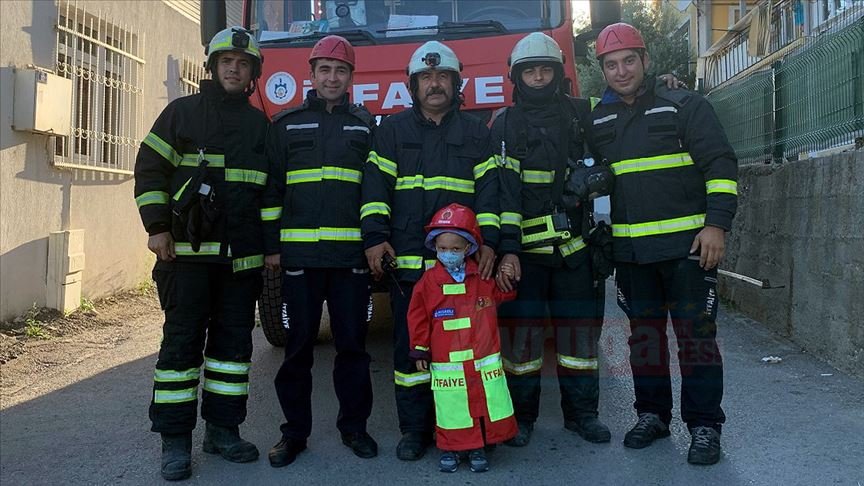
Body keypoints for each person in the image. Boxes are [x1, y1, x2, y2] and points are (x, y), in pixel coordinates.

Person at [586, 22, 738, 465]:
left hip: (689, 250)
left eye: (629, 60)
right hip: (632, 255)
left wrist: (717, 226)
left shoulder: (685, 104)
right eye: (611, 64)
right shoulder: (598, 119)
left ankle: (705, 425)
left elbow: (721, 166)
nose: (621, 70)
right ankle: (652, 415)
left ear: (646, 61)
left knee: (697, 340)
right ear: (602, 70)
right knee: (643, 341)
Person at [133, 27, 269, 481]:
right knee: (181, 347)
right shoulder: (182, 114)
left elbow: (269, 194)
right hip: (186, 258)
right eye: (226, 60)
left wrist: (269, 249)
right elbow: (150, 169)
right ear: (212, 66)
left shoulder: (258, 126)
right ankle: (175, 442)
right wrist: (156, 228)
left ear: (252, 73)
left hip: (241, 262)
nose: (234, 68)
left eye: (243, 63)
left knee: (233, 351)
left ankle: (223, 431)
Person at [360, 40, 500, 461]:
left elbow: (490, 194)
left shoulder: (477, 133)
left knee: (468, 354)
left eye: (442, 77)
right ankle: (415, 431)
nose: (434, 84)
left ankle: (470, 430)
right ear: (413, 85)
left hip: (463, 269)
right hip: (410, 265)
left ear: (456, 84)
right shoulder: (391, 131)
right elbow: (375, 191)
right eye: (426, 77)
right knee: (412, 351)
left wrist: (490, 242)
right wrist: (373, 237)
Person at [262, 35, 377, 467]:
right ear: (311, 75)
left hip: (350, 262)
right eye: (324, 69)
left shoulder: (366, 127)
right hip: (299, 263)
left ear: (350, 77)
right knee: (297, 351)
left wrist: (371, 246)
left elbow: (374, 190)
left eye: (340, 70)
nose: (332, 77)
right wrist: (272, 247)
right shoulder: (285, 124)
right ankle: (294, 434)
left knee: (353, 349)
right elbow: (272, 189)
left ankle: (354, 428)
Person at [490, 32, 610, 447]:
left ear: (558, 74)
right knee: (520, 344)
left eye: (545, 70)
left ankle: (582, 416)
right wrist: (507, 251)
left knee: (579, 339)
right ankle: (521, 419)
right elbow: (502, 192)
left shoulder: (584, 113)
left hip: (575, 250)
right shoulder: (503, 123)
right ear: (517, 77)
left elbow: (625, 127)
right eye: (530, 71)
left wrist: (596, 179)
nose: (538, 78)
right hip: (524, 255)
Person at [407, 204, 517, 473]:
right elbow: (418, 315)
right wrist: (420, 349)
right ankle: (451, 448)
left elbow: (501, 295)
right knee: (451, 408)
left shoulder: (481, 277)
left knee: (482, 403)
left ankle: (479, 446)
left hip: (481, 361)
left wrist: (509, 280)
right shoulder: (428, 281)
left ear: (468, 248)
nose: (448, 254)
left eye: (455, 249)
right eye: (442, 248)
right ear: (434, 247)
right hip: (449, 364)